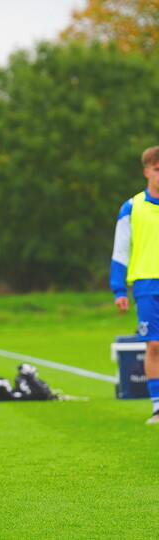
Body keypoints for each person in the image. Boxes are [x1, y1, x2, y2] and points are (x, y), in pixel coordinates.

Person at [110, 146, 159, 424]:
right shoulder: (132, 207)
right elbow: (121, 250)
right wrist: (119, 288)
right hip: (146, 285)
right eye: (157, 169)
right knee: (154, 346)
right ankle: (158, 406)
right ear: (146, 172)